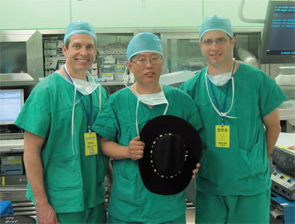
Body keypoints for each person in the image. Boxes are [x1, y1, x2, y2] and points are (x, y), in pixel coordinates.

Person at [180, 15, 287, 223]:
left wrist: (256, 159)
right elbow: (185, 134)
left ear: (232, 42)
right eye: (208, 41)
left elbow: (273, 127)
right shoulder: (191, 87)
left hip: (251, 186)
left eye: (221, 40)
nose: (214, 47)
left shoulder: (257, 81)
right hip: (211, 185)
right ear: (201, 45)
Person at [91, 32, 202, 223]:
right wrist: (126, 151)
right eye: (141, 59)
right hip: (127, 207)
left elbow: (195, 142)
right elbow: (103, 143)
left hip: (168, 207)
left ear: (162, 62)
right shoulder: (118, 102)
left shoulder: (181, 101)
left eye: (154, 58)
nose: (148, 65)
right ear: (129, 66)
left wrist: (193, 163)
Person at [15, 21, 109, 224]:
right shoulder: (47, 91)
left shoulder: (99, 93)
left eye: (89, 47)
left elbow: (104, 144)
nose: (83, 52)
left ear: (95, 52)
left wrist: (112, 185)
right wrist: (42, 206)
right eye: (77, 46)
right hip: (60, 203)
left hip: (95, 198)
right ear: (64, 50)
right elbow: (30, 152)